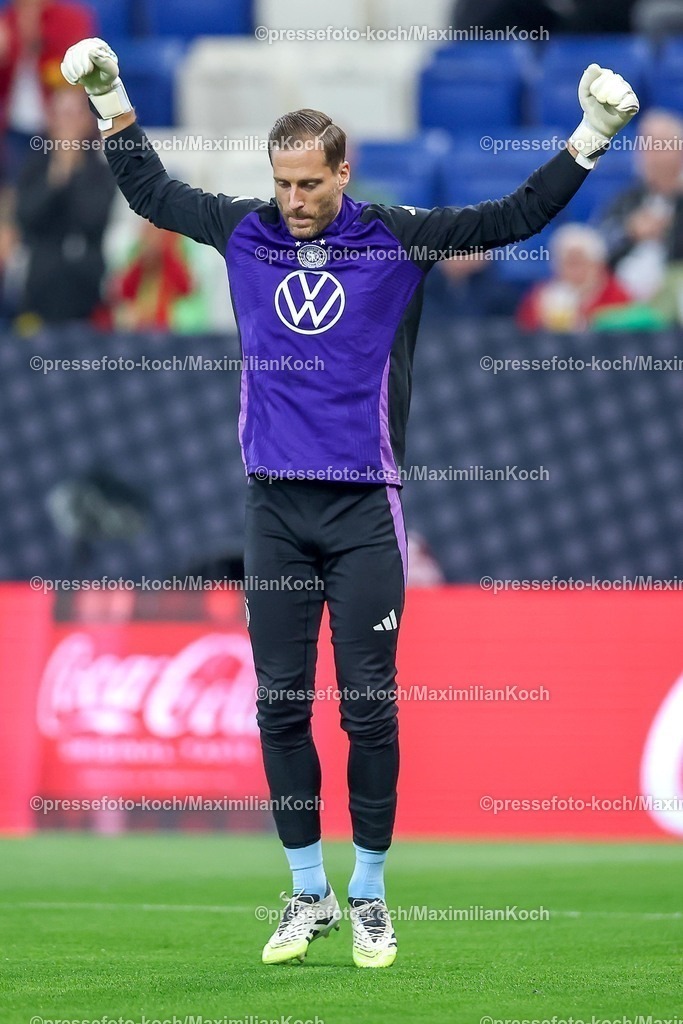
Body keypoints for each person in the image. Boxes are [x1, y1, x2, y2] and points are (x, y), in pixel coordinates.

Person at [60, 37, 639, 968]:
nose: (292, 203)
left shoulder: (397, 237)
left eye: (308, 185)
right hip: (275, 512)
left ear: (342, 173)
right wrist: (113, 98)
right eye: (281, 184)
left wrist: (592, 134)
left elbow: (511, 214)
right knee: (278, 707)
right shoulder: (245, 231)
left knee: (369, 710)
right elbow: (153, 195)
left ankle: (369, 894)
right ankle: (307, 893)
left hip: (365, 510)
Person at [14, 85, 114, 327]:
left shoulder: (101, 172)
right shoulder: (35, 167)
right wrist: (57, 178)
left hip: (86, 292)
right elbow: (26, 216)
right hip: (40, 288)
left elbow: (93, 219)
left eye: (74, 115)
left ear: (87, 122)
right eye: (62, 115)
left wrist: (74, 172)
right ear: (51, 121)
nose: (68, 124)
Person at [0, 0, 95, 182]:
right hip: (14, 128)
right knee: (18, 188)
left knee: (61, 183)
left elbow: (76, 74)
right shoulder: (6, 21)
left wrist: (34, 37)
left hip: (59, 125)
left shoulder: (71, 19)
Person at [598, 109, 683, 301]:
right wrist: (630, 233)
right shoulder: (626, 199)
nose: (648, 155)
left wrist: (670, 228)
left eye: (658, 146)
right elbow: (599, 247)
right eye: (644, 146)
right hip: (624, 301)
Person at [516, 223, 633, 332]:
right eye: (569, 263)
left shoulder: (617, 294)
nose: (576, 271)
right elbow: (525, 331)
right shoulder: (542, 295)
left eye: (581, 262)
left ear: (598, 264)